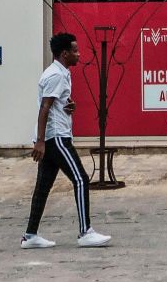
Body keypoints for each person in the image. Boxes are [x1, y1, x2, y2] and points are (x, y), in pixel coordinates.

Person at [23, 32, 110, 249]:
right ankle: (85, 232)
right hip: (56, 138)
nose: (79, 55)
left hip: (53, 136)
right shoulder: (57, 76)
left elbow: (54, 104)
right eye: (75, 51)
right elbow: (45, 108)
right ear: (64, 54)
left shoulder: (60, 73)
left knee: (43, 187)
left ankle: (30, 235)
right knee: (81, 179)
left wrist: (68, 107)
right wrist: (41, 142)